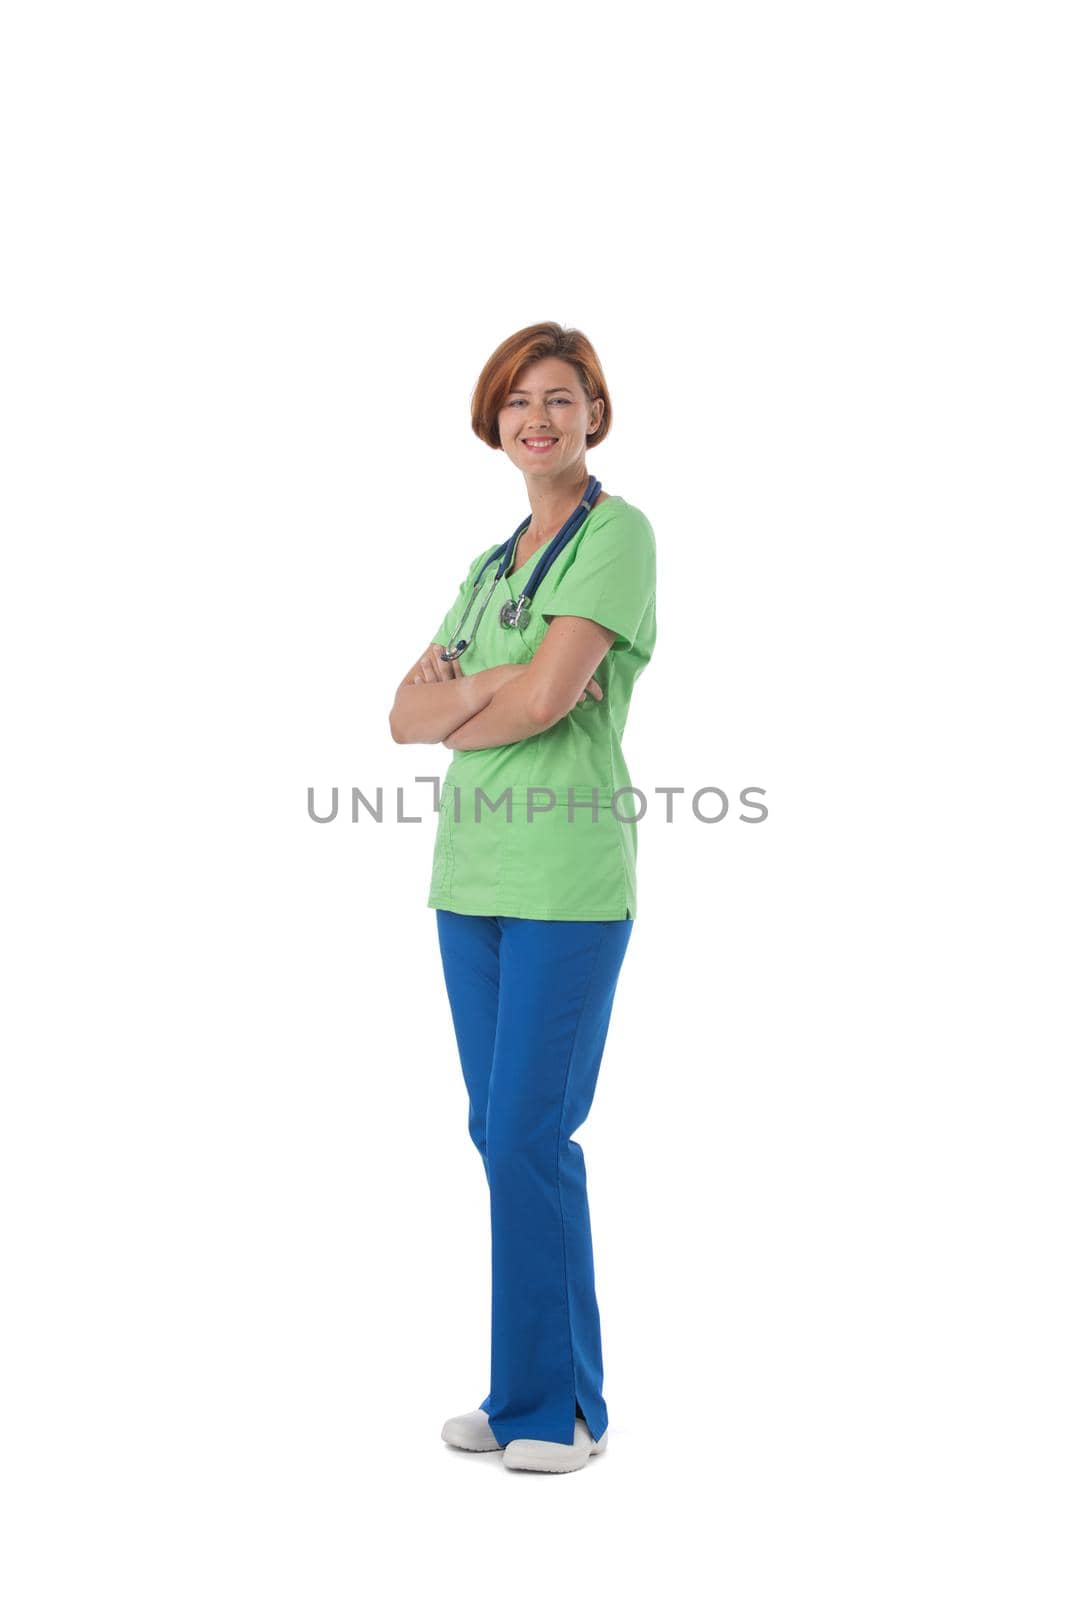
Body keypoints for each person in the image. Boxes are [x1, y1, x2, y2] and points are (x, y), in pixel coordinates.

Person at [389, 321, 657, 1473]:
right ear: (493, 423)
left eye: (558, 398)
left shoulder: (620, 535)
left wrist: (474, 698)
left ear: (593, 414)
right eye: (515, 403)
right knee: (503, 1133)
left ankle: (555, 1412)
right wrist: (486, 694)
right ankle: (532, 1393)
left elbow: (551, 700)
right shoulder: (489, 565)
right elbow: (402, 716)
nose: (535, 418)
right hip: (470, 880)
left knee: (527, 1131)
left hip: (563, 881)